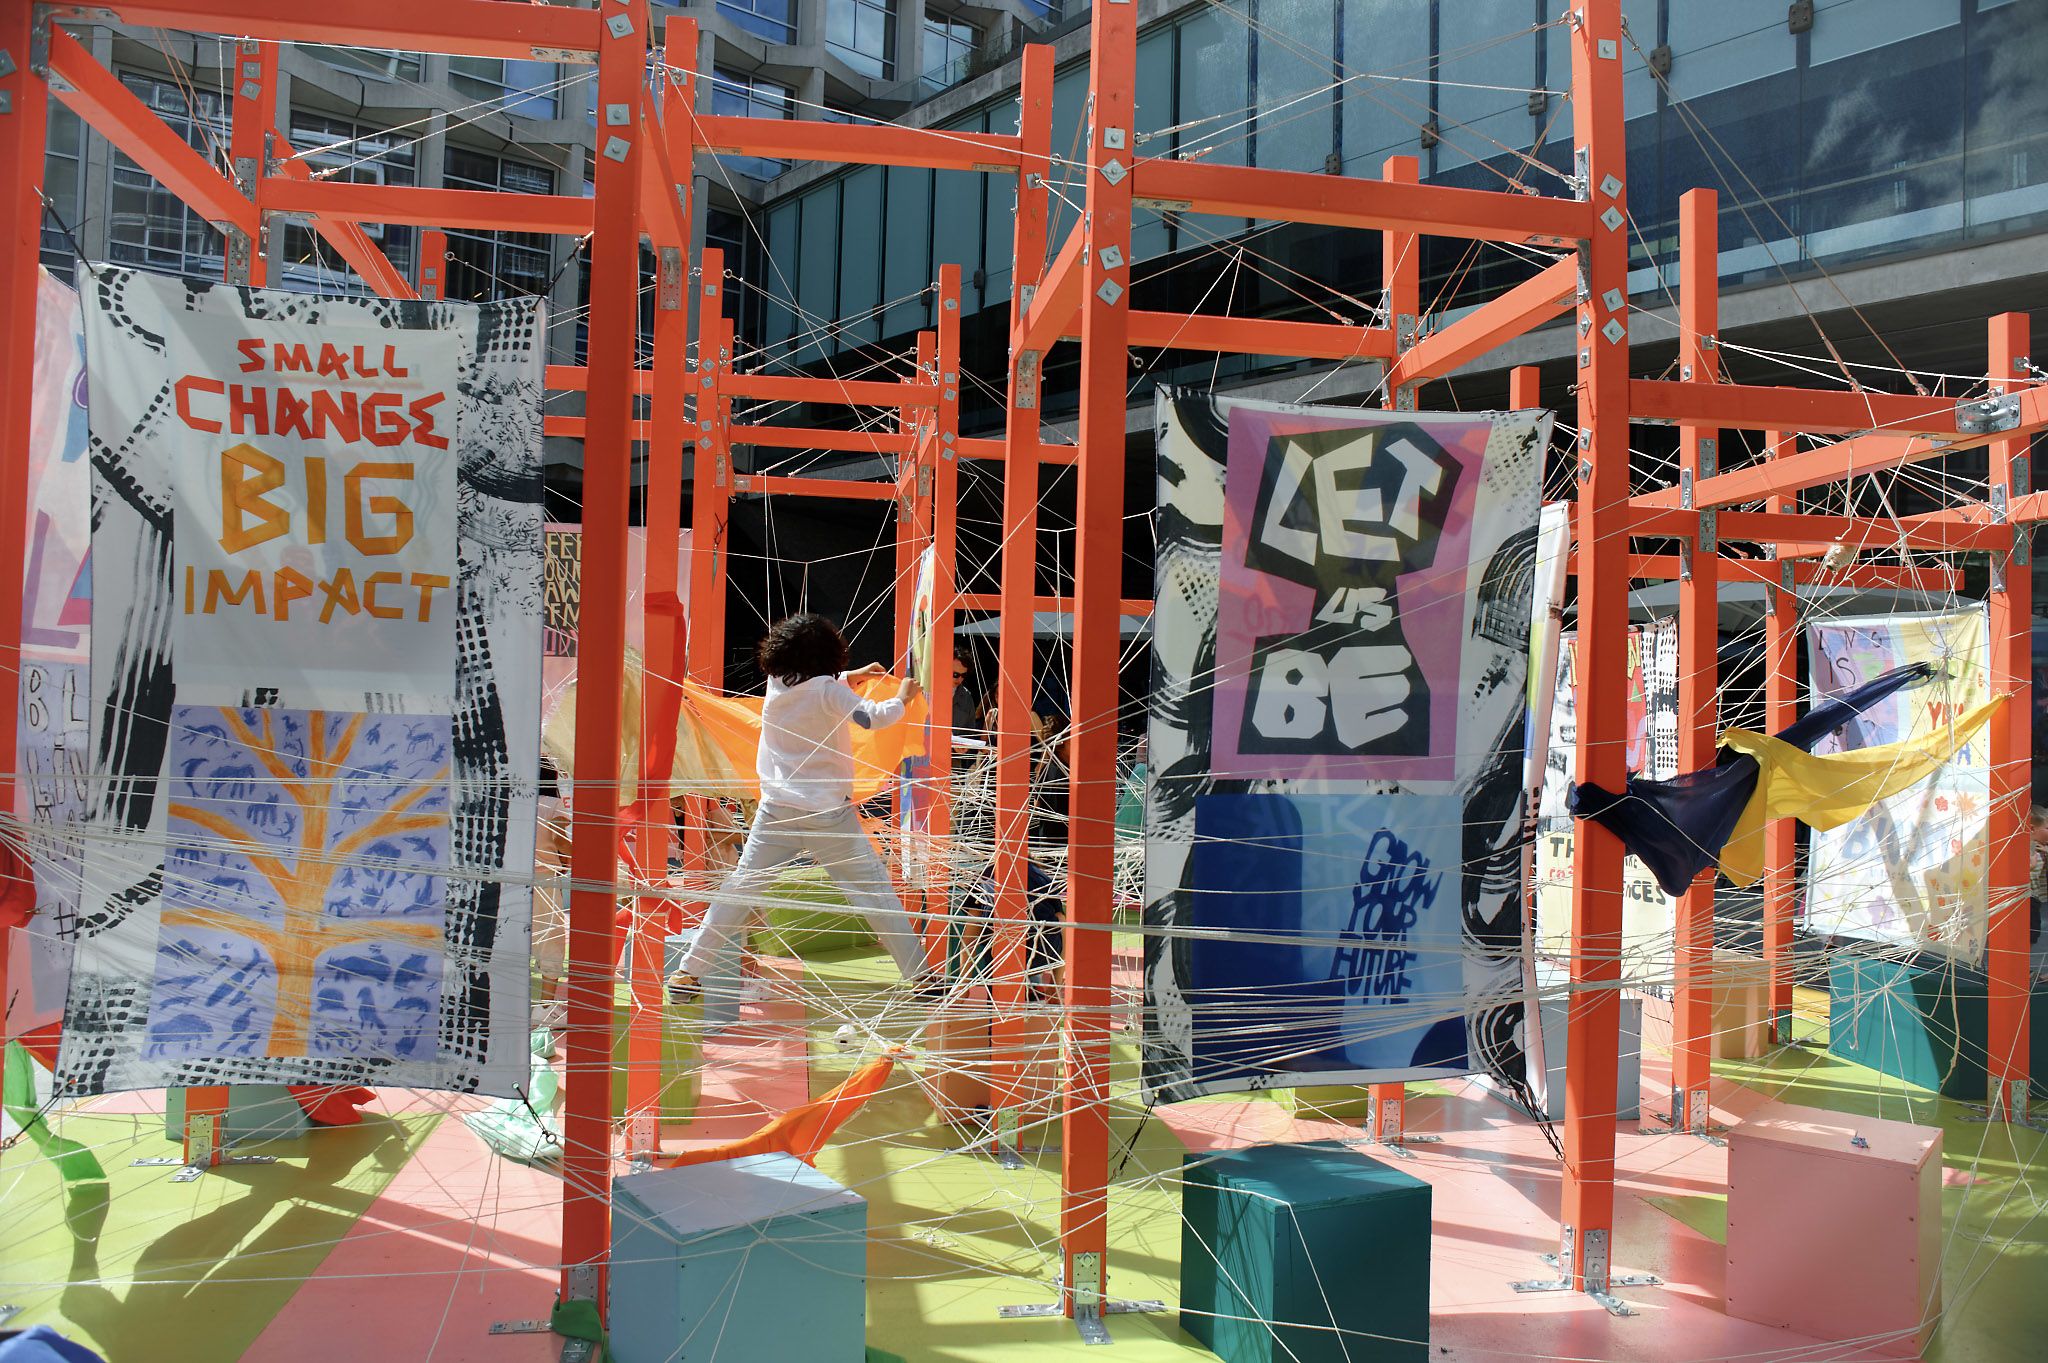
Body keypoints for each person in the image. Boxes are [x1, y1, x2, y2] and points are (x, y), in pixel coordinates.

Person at [668, 613, 932, 997]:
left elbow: (819, 695)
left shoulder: (778, 684)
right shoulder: (828, 689)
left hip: (776, 812)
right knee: (875, 894)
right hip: (828, 816)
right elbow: (874, 719)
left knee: (740, 890)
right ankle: (922, 977)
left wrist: (848, 679)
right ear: (828, 653)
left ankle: (689, 972)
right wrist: (903, 697)